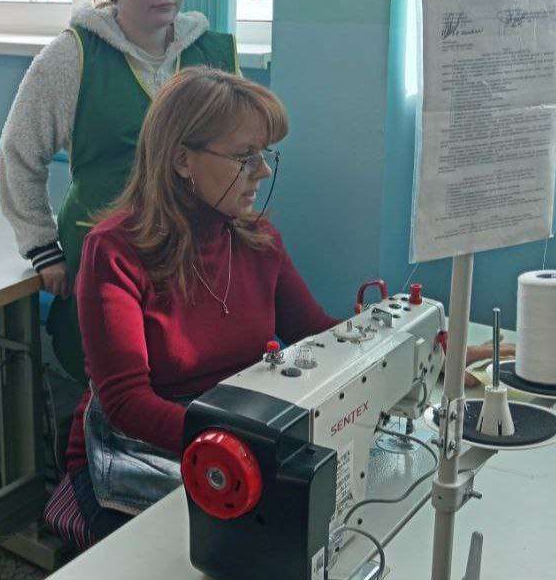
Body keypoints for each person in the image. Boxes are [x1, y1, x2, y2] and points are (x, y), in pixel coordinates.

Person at [42, 67, 336, 548]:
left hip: (230, 433)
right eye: (244, 157)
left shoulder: (258, 240)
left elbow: (319, 333)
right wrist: (246, 444)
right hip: (139, 444)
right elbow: (126, 404)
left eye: (265, 155)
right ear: (182, 160)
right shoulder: (114, 251)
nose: (262, 171)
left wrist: (405, 335)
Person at [0, 0, 239, 383]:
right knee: (116, 389)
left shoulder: (213, 54)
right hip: (107, 260)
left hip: (195, 254)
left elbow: (239, 156)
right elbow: (18, 153)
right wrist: (41, 245)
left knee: (192, 379)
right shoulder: (74, 55)